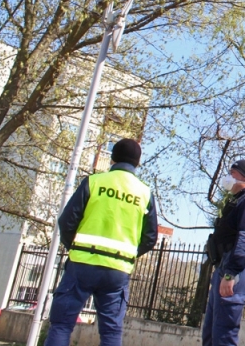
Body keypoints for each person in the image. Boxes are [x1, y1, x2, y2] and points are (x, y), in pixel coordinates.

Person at [45, 138, 158, 346]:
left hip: (82, 264)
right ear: (137, 163)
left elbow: (67, 221)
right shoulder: (145, 193)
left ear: (112, 158)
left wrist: (75, 247)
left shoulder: (94, 182)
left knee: (61, 325)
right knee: (111, 332)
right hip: (117, 270)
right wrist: (127, 253)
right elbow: (150, 238)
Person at [202, 159, 245, 346]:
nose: (228, 178)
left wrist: (231, 274)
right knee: (212, 332)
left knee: (223, 334)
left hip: (238, 269)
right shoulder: (240, 201)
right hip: (227, 266)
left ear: (243, 177)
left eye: (232, 174)